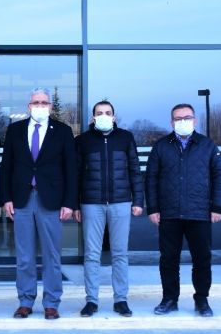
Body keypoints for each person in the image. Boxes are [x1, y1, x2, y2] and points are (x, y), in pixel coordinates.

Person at [0, 87, 77, 320]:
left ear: (50, 106)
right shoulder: (14, 130)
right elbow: (6, 167)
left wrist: (69, 202)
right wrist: (6, 198)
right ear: (29, 106)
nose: (40, 106)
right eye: (36, 102)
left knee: (52, 255)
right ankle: (25, 301)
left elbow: (71, 169)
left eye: (44, 102)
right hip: (22, 198)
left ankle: (51, 303)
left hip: (51, 200)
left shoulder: (63, 131)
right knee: (24, 256)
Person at [145, 103, 221, 317]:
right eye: (178, 118)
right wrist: (152, 208)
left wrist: (218, 206)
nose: (182, 121)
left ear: (195, 120)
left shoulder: (208, 145)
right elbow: (151, 178)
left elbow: (219, 176)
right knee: (168, 260)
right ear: (171, 122)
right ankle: (169, 299)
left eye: (187, 117)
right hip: (169, 213)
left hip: (199, 213)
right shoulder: (161, 146)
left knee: (202, 259)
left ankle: (202, 300)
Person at [73, 100, 144, 318]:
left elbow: (134, 170)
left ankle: (120, 300)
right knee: (91, 255)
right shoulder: (83, 141)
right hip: (91, 204)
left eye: (107, 112)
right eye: (99, 112)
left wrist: (138, 200)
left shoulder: (126, 138)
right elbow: (76, 174)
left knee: (120, 254)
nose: (103, 115)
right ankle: (91, 301)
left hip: (120, 203)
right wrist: (75, 204)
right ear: (93, 117)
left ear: (114, 116)